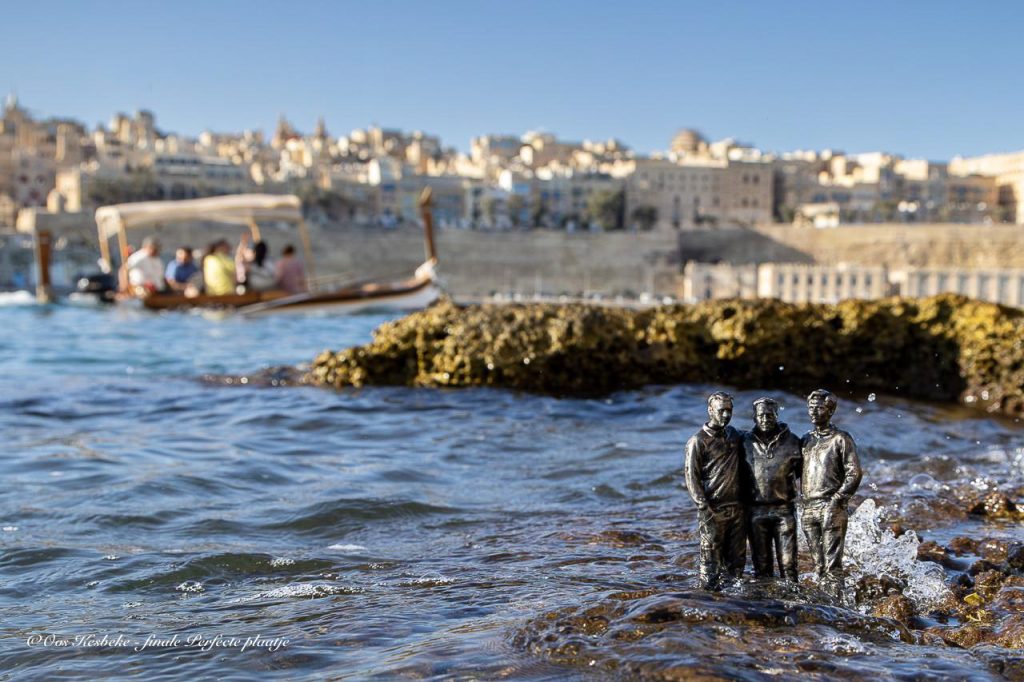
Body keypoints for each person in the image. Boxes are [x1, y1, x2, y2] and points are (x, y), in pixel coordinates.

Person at [800, 389, 862, 597]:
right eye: (811, 408)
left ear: (831, 410)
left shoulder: (841, 439)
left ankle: (838, 605)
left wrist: (838, 500)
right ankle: (823, 603)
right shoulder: (805, 440)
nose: (814, 412)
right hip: (808, 508)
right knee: (818, 565)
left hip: (831, 506)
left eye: (819, 408)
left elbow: (854, 473)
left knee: (833, 567)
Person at [684, 391, 746, 590]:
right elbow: (691, 477)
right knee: (710, 561)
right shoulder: (697, 441)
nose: (726, 415)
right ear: (710, 410)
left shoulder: (735, 435)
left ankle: (734, 603)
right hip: (712, 509)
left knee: (737, 561)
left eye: (729, 410)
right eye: (721, 410)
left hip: (737, 509)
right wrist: (703, 506)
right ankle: (708, 601)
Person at [742, 398, 802, 582]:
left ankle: (795, 603)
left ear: (777, 415)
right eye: (761, 415)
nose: (765, 419)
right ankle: (765, 605)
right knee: (761, 565)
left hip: (784, 512)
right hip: (756, 512)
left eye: (770, 415)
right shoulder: (744, 442)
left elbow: (802, 474)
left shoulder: (793, 442)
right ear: (754, 417)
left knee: (788, 564)